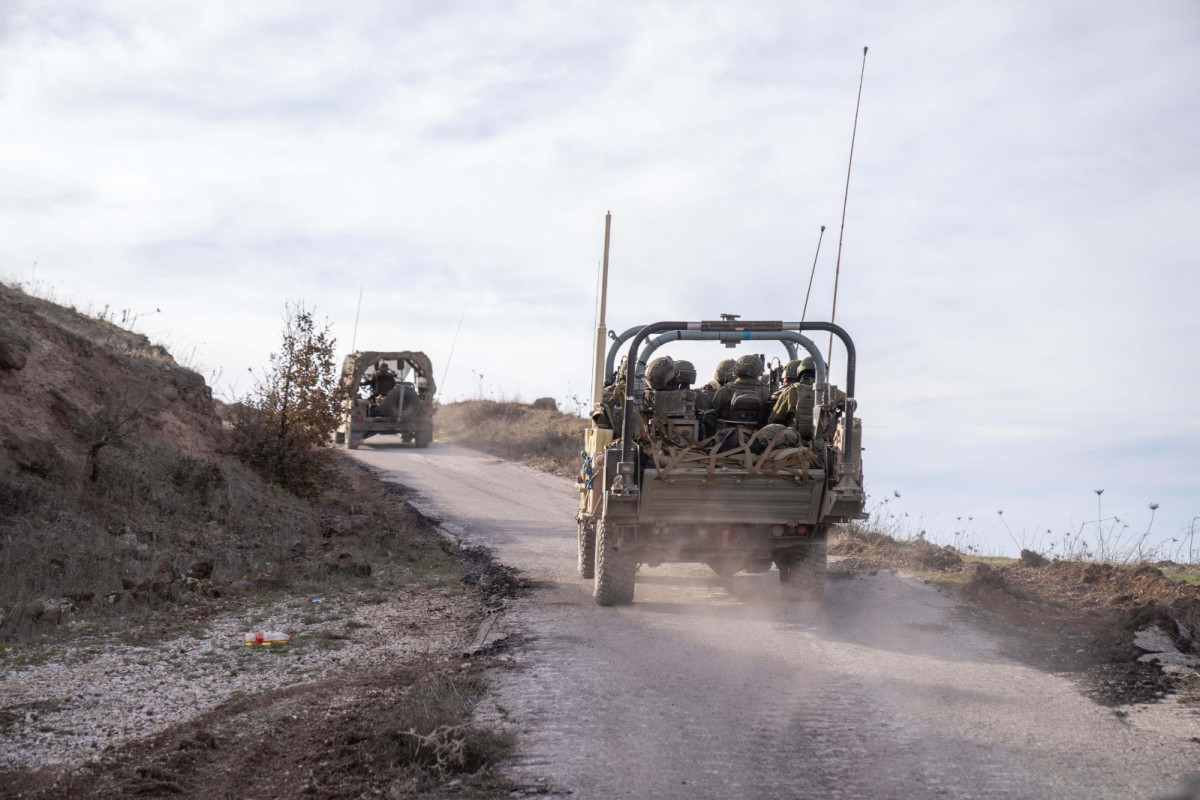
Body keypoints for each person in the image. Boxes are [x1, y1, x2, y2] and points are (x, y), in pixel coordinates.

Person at [712, 354, 771, 429]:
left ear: (736, 369)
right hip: (757, 437)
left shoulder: (724, 391)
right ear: (759, 370)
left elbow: (712, 416)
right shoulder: (765, 392)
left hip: (725, 437)